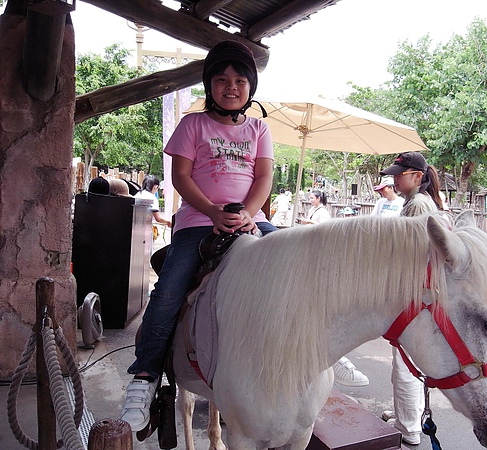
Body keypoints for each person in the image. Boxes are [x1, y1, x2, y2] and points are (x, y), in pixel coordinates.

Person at [120, 40, 278, 432]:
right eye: (222, 79)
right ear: (210, 85)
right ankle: (144, 377)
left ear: (250, 88)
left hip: (246, 220)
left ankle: (324, 349)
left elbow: (263, 177)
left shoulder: (260, 128)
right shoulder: (193, 124)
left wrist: (248, 214)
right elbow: (181, 176)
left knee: (297, 261)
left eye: (240, 80)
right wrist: (211, 211)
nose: (231, 86)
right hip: (198, 221)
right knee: (170, 291)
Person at [379, 151, 446, 446]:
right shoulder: (419, 202)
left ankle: (408, 427)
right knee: (409, 361)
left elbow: (410, 252)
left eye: (400, 173)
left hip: (414, 291)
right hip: (420, 289)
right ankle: (407, 416)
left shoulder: (417, 204)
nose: (395, 178)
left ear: (417, 176)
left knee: (405, 363)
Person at [297, 189, 370, 386]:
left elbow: (324, 231)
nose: (310, 199)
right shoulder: (315, 211)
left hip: (320, 255)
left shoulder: (322, 213)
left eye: (312, 197)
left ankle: (332, 356)